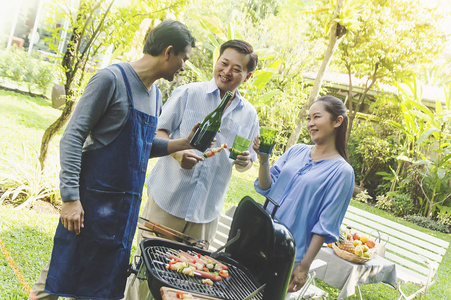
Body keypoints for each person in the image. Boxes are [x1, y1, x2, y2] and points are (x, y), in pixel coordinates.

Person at [28, 20, 197, 300]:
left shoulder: (155, 94)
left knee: (102, 289)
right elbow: (72, 136)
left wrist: (179, 144)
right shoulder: (110, 79)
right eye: (183, 58)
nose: (183, 66)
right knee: (55, 280)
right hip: (88, 205)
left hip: (122, 214)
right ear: (168, 52)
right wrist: (70, 198)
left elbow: (140, 144)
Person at [123, 39, 259, 299]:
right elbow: (159, 131)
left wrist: (245, 162)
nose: (227, 72)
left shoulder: (249, 115)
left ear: (248, 76)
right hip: (167, 199)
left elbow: (247, 161)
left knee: (188, 283)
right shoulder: (188, 93)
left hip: (205, 215)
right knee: (145, 273)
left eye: (237, 69)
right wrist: (177, 154)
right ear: (216, 62)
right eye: (224, 63)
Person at [253, 95, 355, 293]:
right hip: (260, 239)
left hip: (289, 253)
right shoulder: (297, 150)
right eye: (308, 118)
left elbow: (325, 225)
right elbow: (267, 188)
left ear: (337, 121)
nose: (310, 124)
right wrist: (264, 159)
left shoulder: (342, 172)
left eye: (316, 117)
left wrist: (304, 266)